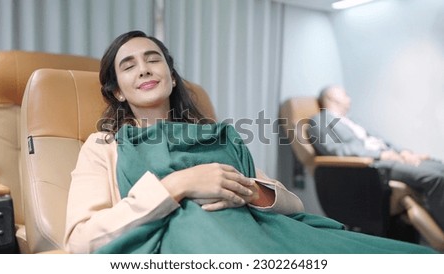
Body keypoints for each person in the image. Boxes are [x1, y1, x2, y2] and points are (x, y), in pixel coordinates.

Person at [63, 30, 437, 254]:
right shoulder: (103, 145)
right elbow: (80, 241)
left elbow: (289, 201)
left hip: (273, 234)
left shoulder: (218, 135)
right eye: (128, 65)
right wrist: (177, 186)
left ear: (172, 78)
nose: (143, 68)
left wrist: (252, 191)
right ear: (117, 91)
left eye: (153, 59)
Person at [307, 84, 444, 232]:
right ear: (331, 97)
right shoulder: (320, 120)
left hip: (391, 156)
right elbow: (336, 150)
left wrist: (404, 152)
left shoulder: (352, 121)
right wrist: (380, 155)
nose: (349, 98)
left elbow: (381, 140)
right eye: (345, 94)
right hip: (374, 164)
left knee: (439, 167)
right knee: (435, 178)